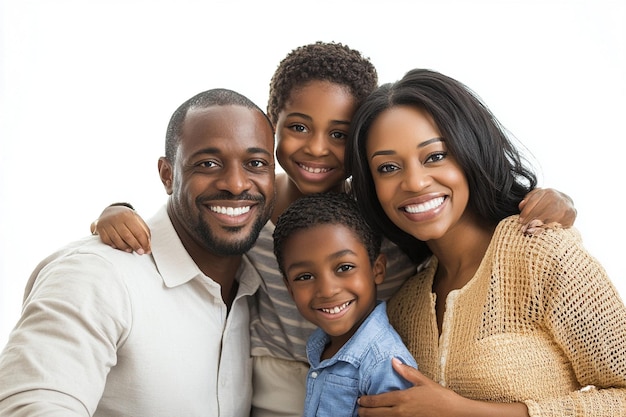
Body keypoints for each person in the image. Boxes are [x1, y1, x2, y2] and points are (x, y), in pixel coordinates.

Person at [86, 42, 579, 417]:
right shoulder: (247, 207)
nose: (317, 149)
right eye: (298, 127)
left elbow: (452, 232)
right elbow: (188, 210)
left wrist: (556, 201)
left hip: (362, 387)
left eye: (340, 135)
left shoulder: (384, 217)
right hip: (262, 390)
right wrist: (116, 209)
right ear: (271, 123)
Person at [346, 68, 626, 416]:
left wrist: (462, 410)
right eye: (388, 168)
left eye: (435, 156)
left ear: (470, 149)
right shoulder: (404, 305)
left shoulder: (539, 253)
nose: (415, 183)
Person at [0, 88, 276, 417]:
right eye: (208, 163)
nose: (236, 183)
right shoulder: (98, 275)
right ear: (167, 174)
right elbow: (31, 406)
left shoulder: (263, 280)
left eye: (256, 163)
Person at [273, 192, 417, 417]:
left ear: (377, 269)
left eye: (344, 268)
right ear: (289, 288)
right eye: (305, 277)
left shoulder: (384, 364)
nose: (328, 290)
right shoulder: (322, 346)